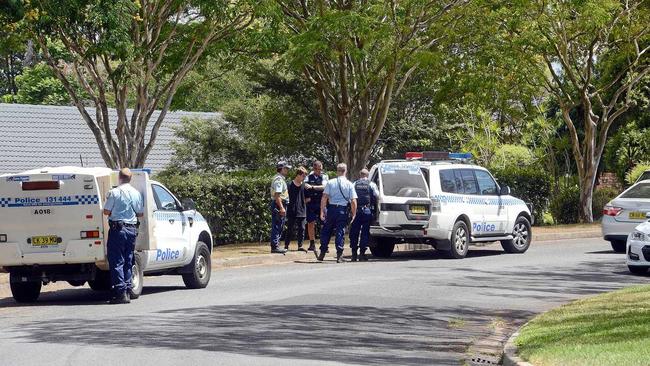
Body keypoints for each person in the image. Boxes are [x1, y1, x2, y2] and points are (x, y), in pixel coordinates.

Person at [103, 168, 144, 304]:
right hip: (131, 230)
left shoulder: (114, 193)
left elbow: (106, 211)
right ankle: (127, 290)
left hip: (118, 230)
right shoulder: (136, 193)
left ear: (119, 178)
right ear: (130, 179)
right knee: (128, 259)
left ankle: (120, 293)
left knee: (117, 261)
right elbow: (140, 213)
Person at [316, 163, 357, 263]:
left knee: (326, 230)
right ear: (345, 171)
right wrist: (354, 213)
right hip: (342, 210)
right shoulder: (349, 184)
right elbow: (353, 201)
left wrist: (322, 211)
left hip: (331, 209)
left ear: (337, 171)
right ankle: (339, 255)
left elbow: (324, 197)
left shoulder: (330, 182)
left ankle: (322, 253)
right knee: (340, 231)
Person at [349, 168, 379, 262]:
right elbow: (378, 196)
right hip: (366, 210)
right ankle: (362, 254)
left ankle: (354, 254)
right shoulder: (372, 184)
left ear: (360, 175)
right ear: (367, 175)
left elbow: (350, 197)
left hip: (356, 211)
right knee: (365, 233)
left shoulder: (354, 184)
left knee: (354, 232)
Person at [304, 161, 328, 251]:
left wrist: (312, 187)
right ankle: (312, 244)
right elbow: (304, 186)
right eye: (317, 169)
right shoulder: (308, 177)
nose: (319, 171)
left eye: (320, 169)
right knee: (311, 223)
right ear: (314, 169)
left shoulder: (324, 176)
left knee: (324, 224)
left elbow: (324, 187)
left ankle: (324, 244)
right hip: (311, 203)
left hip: (321, 203)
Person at [284, 167, 308, 251]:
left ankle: (300, 245)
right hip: (292, 210)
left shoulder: (304, 185)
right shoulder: (289, 185)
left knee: (302, 228)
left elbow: (308, 198)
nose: (304, 178)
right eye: (303, 176)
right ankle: (286, 246)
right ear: (298, 175)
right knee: (290, 229)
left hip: (302, 210)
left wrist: (303, 202)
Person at [270, 161, 290, 254]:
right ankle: (275, 247)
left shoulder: (280, 178)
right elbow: (277, 195)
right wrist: (281, 207)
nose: (287, 170)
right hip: (279, 204)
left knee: (279, 225)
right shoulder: (279, 180)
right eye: (286, 168)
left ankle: (276, 245)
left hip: (279, 203)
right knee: (277, 225)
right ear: (281, 169)